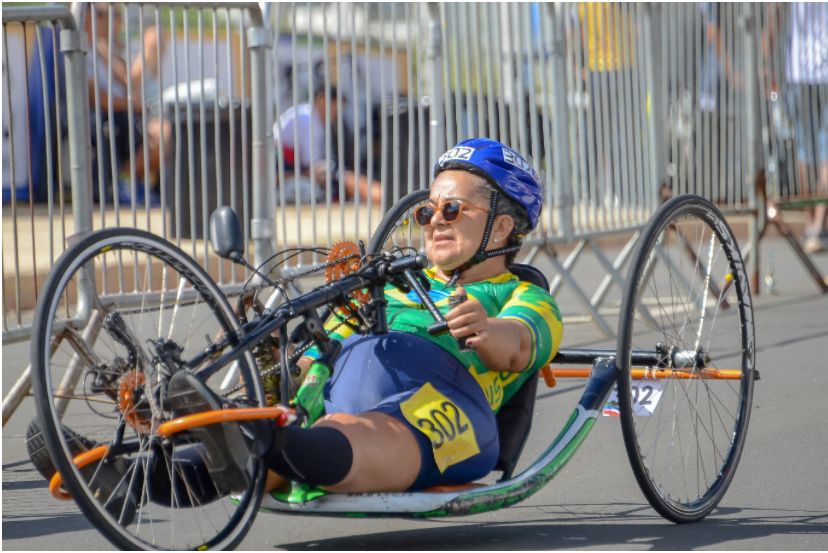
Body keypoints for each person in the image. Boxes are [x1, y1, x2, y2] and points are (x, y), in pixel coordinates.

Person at [28, 138, 562, 501]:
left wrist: (488, 332)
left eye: (453, 210)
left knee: (344, 431)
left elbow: (520, 345)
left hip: (446, 412)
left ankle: (254, 434)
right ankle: (135, 482)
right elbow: (323, 352)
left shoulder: (521, 295)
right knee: (293, 424)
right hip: (351, 389)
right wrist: (286, 355)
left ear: (500, 229)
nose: (433, 222)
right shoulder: (396, 283)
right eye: (427, 210)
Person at [86, 4, 170, 204]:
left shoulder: (102, 50)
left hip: (127, 116)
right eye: (105, 15)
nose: (114, 21)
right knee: (164, 135)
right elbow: (97, 98)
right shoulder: (80, 53)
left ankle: (131, 181)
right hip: (111, 117)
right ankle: (123, 181)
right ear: (86, 17)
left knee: (167, 132)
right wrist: (131, 103)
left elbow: (126, 84)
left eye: (115, 16)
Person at [274, 84, 382, 204]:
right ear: (322, 99)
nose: (335, 116)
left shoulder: (310, 116)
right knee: (341, 177)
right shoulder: (307, 119)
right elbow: (311, 164)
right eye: (335, 110)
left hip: (289, 167)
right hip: (282, 169)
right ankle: (379, 197)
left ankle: (378, 195)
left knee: (340, 175)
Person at [783, 3, 828, 254]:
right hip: (813, 68)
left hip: (800, 68)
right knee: (821, 149)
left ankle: (813, 219)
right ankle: (818, 222)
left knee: (806, 147)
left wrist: (767, 56)